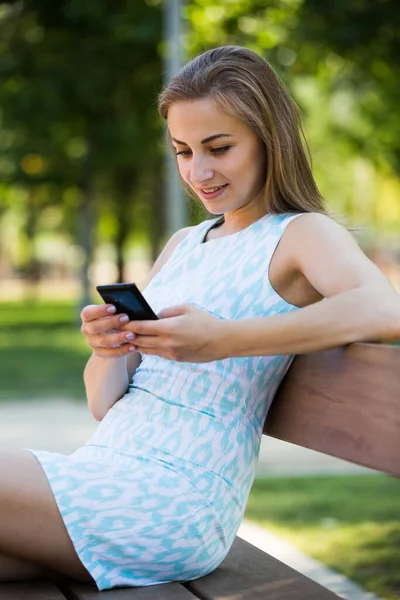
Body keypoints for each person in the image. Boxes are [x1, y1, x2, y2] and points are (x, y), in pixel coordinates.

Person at [1, 45, 399, 591]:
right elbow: (103, 403)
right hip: (103, 472)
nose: (199, 171)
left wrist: (224, 339)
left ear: (269, 138)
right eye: (183, 151)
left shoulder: (299, 234)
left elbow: (384, 307)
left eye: (219, 147)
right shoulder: (185, 244)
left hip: (173, 501)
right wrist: (109, 348)